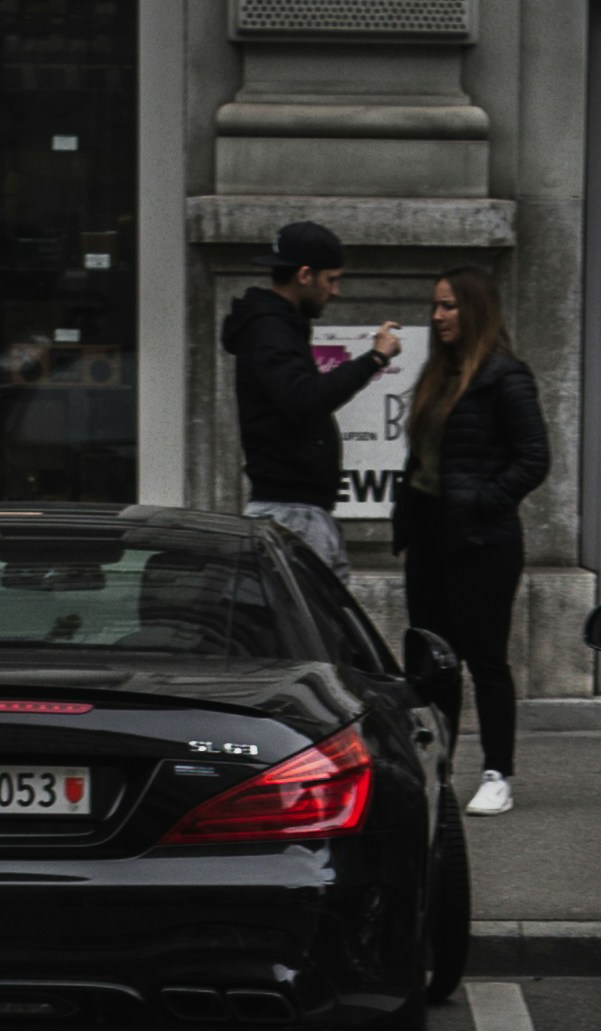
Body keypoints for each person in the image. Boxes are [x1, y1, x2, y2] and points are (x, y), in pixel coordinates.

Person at [397, 264, 548, 816]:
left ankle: (497, 773)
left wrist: (481, 501)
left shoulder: (504, 376)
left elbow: (534, 459)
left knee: (485, 661)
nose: (437, 316)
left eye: (449, 306)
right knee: (433, 663)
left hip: (483, 542)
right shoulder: (439, 375)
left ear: (476, 310)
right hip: (430, 539)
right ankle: (438, 768)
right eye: (435, 306)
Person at [221, 220, 397, 576]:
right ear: (304, 275)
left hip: (301, 512)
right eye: (331, 279)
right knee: (305, 628)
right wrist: (374, 358)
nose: (336, 291)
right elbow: (305, 399)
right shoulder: (269, 330)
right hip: (291, 515)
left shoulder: (279, 327)